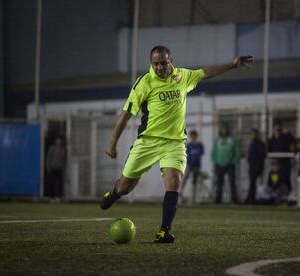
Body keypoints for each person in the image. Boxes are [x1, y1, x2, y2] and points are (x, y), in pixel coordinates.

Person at [100, 45, 253, 243]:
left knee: (174, 182)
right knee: (125, 187)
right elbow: (126, 114)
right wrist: (112, 143)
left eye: (163, 63)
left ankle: (164, 231)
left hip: (175, 143)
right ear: (151, 63)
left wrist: (232, 65)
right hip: (148, 141)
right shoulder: (144, 83)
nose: (159, 67)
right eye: (155, 64)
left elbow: (205, 72)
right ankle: (114, 194)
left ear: (171, 60)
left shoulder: (183, 76)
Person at [212, 124, 240, 204]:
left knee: (232, 182)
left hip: (230, 164)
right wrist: (215, 160)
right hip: (219, 164)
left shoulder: (233, 139)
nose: (224, 131)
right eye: (223, 129)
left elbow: (237, 151)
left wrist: (235, 160)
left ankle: (234, 199)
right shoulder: (217, 139)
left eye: (226, 129)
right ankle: (218, 199)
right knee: (219, 183)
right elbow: (213, 151)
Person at [267, 121, 295, 192]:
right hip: (276, 164)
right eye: (276, 129)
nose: (278, 131)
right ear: (273, 130)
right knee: (274, 179)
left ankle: (287, 195)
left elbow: (293, 143)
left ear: (282, 129)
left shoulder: (286, 137)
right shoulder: (272, 140)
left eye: (279, 129)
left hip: (285, 163)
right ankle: (274, 193)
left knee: (286, 179)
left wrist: (289, 133)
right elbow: (269, 152)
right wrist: (272, 162)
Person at [180, 130, 204, 203]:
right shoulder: (189, 145)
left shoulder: (199, 145)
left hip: (196, 165)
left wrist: (195, 158)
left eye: (194, 136)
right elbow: (186, 154)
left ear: (196, 137)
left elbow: (201, 153)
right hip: (189, 165)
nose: (193, 138)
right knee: (185, 179)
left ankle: (193, 197)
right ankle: (180, 193)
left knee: (194, 181)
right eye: (192, 136)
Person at [245, 128, 266, 204]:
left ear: (257, 134)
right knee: (252, 183)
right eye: (251, 134)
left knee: (254, 183)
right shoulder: (252, 143)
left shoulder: (260, 144)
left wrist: (258, 167)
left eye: (253, 134)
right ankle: (250, 198)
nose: (252, 135)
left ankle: (253, 199)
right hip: (252, 166)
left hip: (256, 166)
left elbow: (261, 156)